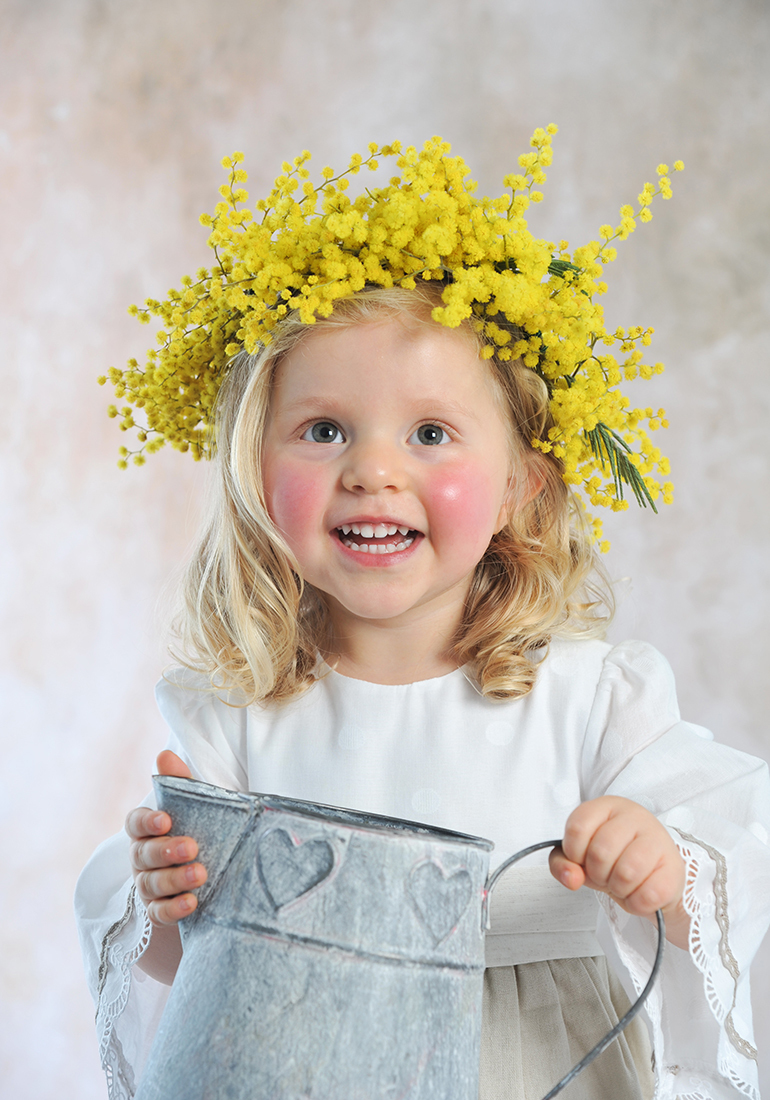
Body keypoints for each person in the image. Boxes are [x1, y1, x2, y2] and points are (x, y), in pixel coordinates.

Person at [77, 132, 770, 1100]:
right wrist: (166, 896)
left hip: (538, 1068)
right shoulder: (241, 712)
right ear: (252, 472)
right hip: (305, 1065)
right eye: (323, 430)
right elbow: (181, 964)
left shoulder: (585, 699)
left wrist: (659, 860)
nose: (372, 469)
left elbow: (732, 850)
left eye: (431, 432)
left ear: (520, 487)